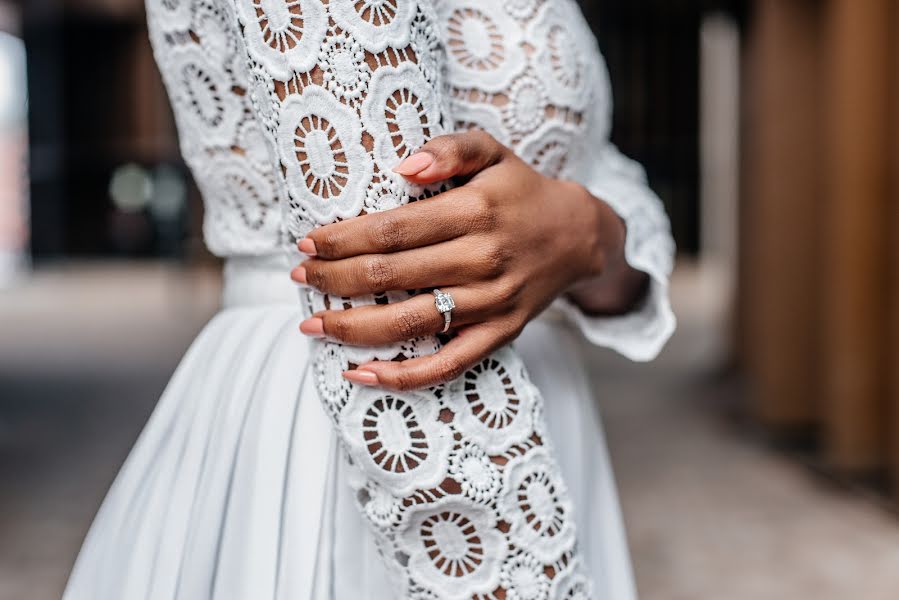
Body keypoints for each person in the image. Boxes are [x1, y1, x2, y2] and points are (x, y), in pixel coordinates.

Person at [64, 1, 675, 598]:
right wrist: (512, 569)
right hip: (383, 409)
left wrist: (586, 233)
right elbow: (392, 270)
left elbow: (598, 171)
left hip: (541, 408)